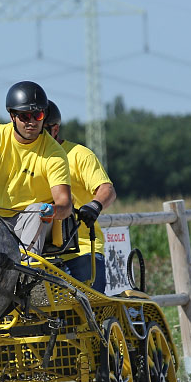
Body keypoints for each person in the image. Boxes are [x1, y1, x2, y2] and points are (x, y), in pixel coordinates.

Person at [0, 81, 72, 254]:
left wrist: (52, 210)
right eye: (24, 117)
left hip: (31, 222)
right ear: (12, 117)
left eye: (37, 116)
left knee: (35, 210)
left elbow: (65, 204)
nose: (31, 122)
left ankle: (26, 268)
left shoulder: (54, 153)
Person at [44, 100, 117, 293]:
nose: (37, 136)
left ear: (55, 129)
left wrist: (95, 205)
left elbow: (106, 189)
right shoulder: (28, 158)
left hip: (82, 248)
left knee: (89, 313)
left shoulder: (79, 155)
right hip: (42, 253)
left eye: (43, 130)